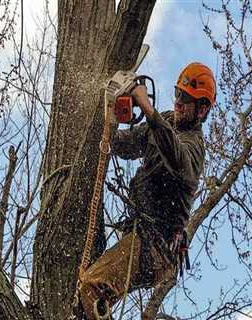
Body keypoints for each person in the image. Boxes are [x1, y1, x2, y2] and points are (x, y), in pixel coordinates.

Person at [76, 62, 217, 319]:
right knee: (86, 300)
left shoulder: (194, 147)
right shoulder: (165, 121)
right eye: (178, 94)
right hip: (137, 236)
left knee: (92, 287)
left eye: (186, 98)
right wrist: (108, 123)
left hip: (156, 247)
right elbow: (127, 145)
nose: (178, 102)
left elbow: (176, 158)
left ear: (202, 109)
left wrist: (148, 110)